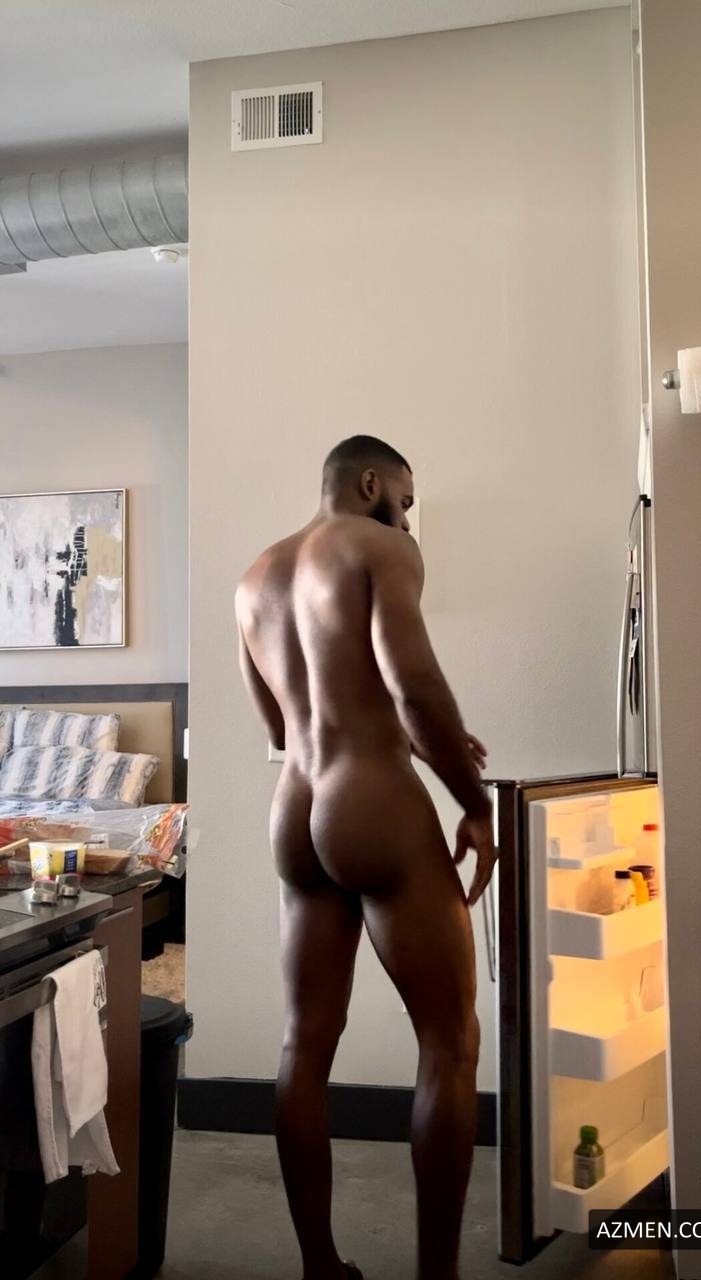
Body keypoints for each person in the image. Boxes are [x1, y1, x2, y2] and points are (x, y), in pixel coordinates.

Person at [236, 435, 498, 1280]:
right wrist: (474, 804)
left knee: (302, 1046)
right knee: (449, 1042)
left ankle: (320, 1267)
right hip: (373, 805)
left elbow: (282, 726)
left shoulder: (256, 575)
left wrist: (418, 737)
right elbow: (411, 684)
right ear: (371, 482)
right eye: (405, 500)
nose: (407, 519)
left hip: (295, 808)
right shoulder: (382, 548)